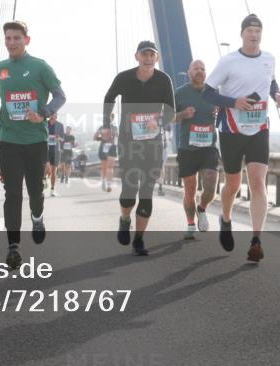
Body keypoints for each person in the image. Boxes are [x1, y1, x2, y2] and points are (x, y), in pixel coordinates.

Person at [0, 21, 65, 270]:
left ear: (26, 40)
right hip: (9, 140)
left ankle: (37, 217)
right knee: (12, 193)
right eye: (8, 38)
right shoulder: (0, 68)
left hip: (35, 140)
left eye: (16, 38)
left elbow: (60, 95)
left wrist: (44, 113)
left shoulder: (40, 67)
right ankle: (13, 246)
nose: (11, 42)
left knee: (35, 190)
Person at [203, 14, 280, 262]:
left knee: (258, 182)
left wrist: (277, 95)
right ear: (242, 34)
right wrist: (233, 102)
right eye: (250, 31)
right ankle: (226, 218)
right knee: (233, 185)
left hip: (259, 128)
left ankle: (256, 241)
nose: (254, 35)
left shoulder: (269, 59)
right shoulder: (228, 61)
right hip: (231, 130)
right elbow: (207, 93)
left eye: (258, 31)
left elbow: (271, 82)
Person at [102, 41, 175, 256]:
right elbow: (109, 98)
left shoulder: (164, 80)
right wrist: (107, 124)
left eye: (152, 55)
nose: (148, 58)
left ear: (157, 58)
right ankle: (125, 219)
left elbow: (171, 111)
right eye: (144, 54)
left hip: (153, 144)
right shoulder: (124, 78)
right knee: (129, 189)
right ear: (137, 56)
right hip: (128, 142)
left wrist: (158, 121)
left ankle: (139, 240)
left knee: (146, 192)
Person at [173, 60, 219, 239]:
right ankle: (191, 224)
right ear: (189, 72)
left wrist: (220, 113)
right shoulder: (180, 93)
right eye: (196, 69)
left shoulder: (214, 93)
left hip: (209, 148)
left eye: (202, 69)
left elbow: (227, 114)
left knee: (211, 185)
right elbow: (167, 117)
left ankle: (202, 208)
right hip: (188, 149)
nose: (199, 71)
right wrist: (183, 114)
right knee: (190, 190)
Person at [94, 113, 118, 192]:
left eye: (110, 118)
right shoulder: (111, 128)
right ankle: (106, 182)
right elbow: (95, 137)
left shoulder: (108, 127)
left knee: (107, 167)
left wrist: (102, 138)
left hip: (108, 147)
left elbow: (95, 137)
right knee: (107, 167)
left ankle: (106, 183)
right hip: (108, 147)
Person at [44, 113, 65, 197]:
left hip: (56, 150)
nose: (52, 116)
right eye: (51, 115)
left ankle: (52, 190)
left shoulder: (60, 125)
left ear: (56, 116)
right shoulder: (45, 123)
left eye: (54, 115)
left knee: (54, 171)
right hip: (45, 149)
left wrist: (58, 138)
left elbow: (63, 138)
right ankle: (44, 179)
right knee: (47, 168)